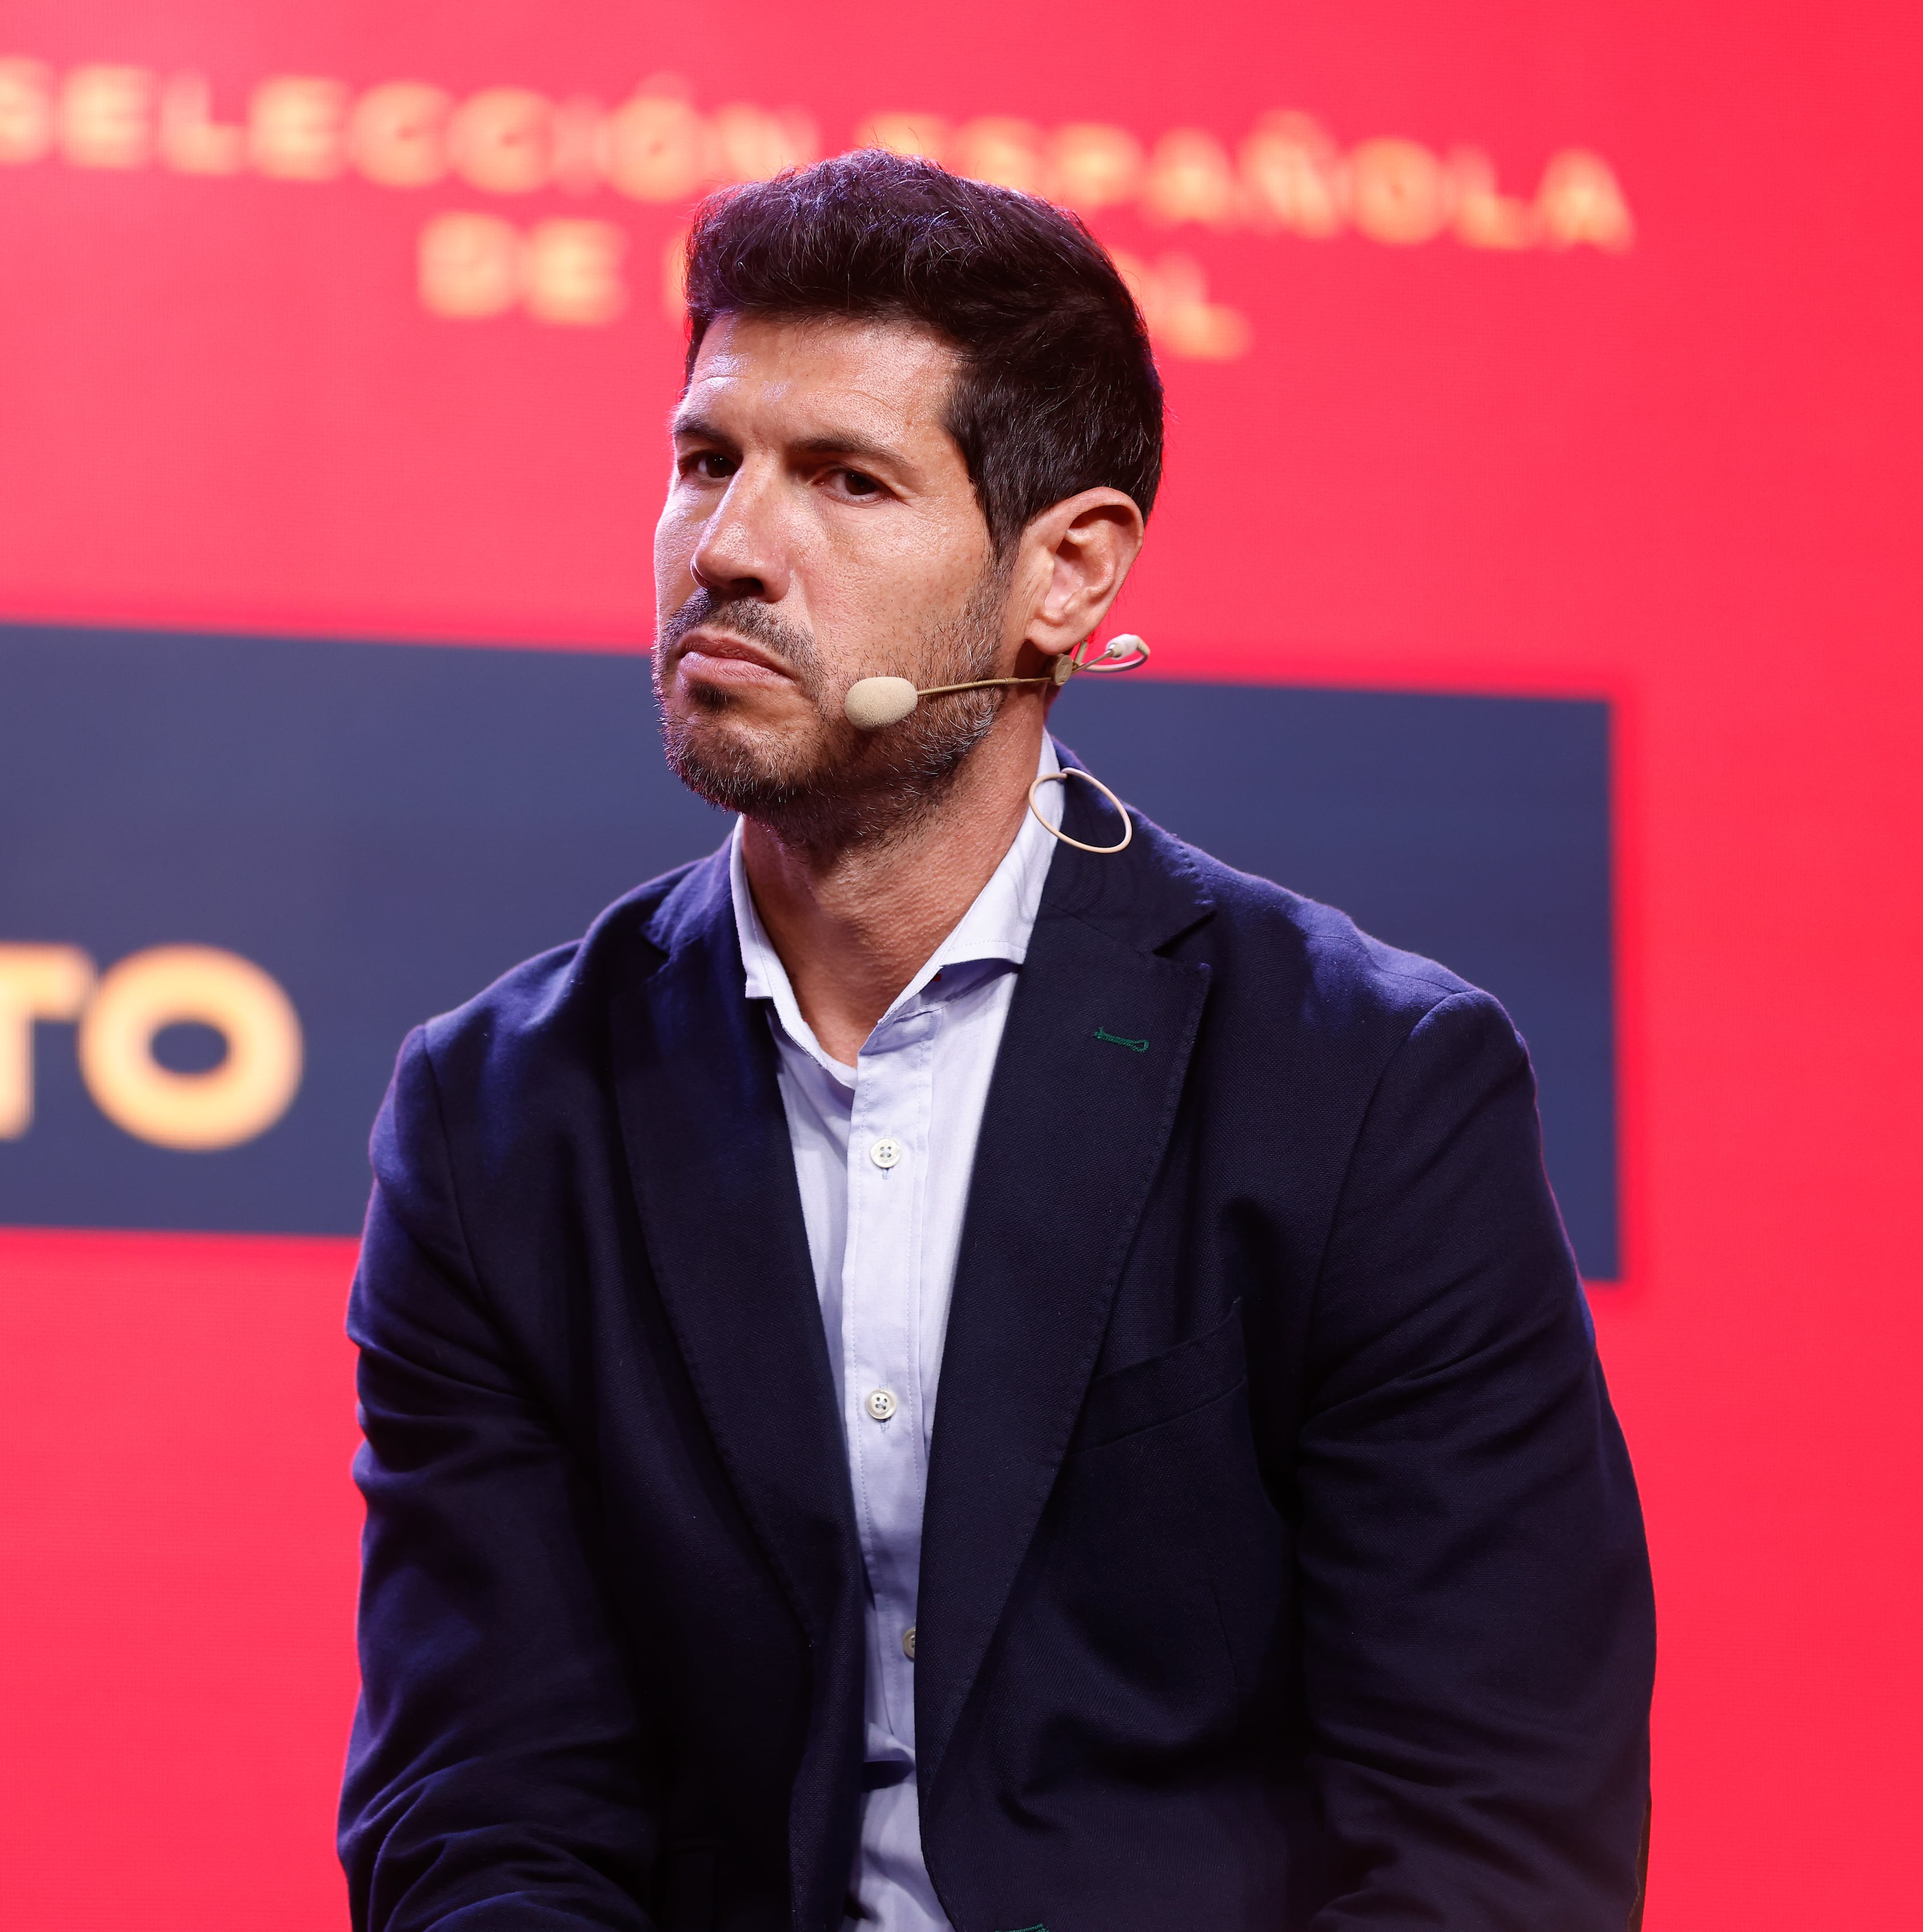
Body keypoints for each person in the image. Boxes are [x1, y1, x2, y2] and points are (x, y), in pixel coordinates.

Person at [339, 151, 1654, 1932]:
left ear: (1065, 578)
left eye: (848, 483)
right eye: (705, 460)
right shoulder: (503, 1116)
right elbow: (484, 1809)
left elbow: (1495, 1833)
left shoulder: (1368, 1090)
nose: (726, 548)